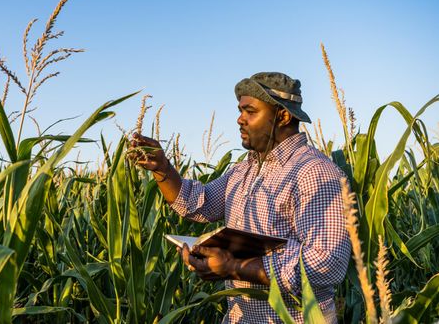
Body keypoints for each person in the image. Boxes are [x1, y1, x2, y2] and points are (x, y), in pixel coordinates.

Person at [132, 71, 351, 323]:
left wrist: (234, 268)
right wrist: (162, 168)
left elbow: (328, 262)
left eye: (250, 111)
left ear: (283, 115)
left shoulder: (315, 172)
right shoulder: (242, 170)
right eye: (240, 110)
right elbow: (196, 203)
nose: (239, 119)